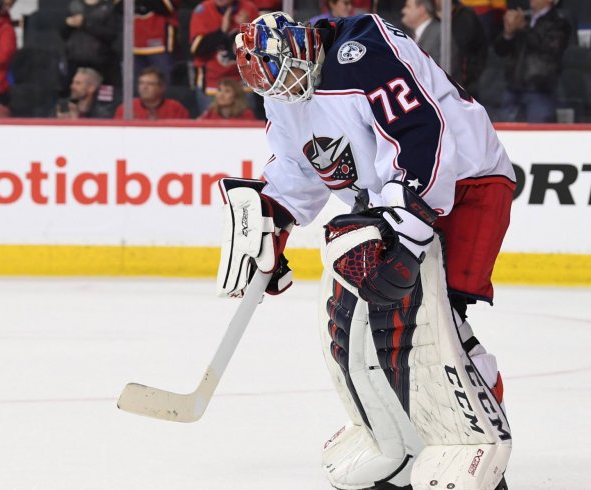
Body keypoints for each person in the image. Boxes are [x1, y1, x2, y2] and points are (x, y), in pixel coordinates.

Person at [218, 12, 513, 490]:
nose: (289, 88)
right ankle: (403, 444)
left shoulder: (362, 52)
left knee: (441, 324)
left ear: (300, 42)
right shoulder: (283, 93)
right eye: (276, 85)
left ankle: (477, 441)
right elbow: (298, 166)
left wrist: (410, 236)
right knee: (375, 331)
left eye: (289, 73)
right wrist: (272, 224)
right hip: (392, 199)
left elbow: (422, 135)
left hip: (466, 182)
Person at [492, 0, 570, 123]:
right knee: (507, 138)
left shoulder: (559, 22)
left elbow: (549, 47)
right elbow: (500, 50)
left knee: (538, 138)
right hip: (513, 90)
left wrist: (524, 27)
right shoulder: (524, 19)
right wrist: (508, 33)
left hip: (539, 92)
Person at [189, 0, 258, 112]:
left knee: (246, 124)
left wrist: (247, 29)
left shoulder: (249, 9)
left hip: (243, 83)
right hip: (212, 84)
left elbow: (260, 52)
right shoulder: (203, 10)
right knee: (210, 127)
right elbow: (197, 50)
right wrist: (222, 31)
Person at [61, 0, 120, 87]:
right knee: (74, 91)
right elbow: (63, 34)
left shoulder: (109, 7)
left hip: (100, 62)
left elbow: (111, 35)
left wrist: (85, 24)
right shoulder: (74, 5)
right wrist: (68, 24)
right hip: (75, 60)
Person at [436, 0, 486, 97]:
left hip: (465, 84)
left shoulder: (467, 16)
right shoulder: (429, 18)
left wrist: (471, 76)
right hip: (437, 85)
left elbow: (480, 47)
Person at [114, 65, 190, 119]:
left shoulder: (176, 108)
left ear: (162, 87)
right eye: (141, 83)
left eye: (150, 84)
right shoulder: (126, 108)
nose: (144, 87)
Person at [400, 0, 456, 72]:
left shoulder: (439, 34)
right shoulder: (412, 34)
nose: (403, 11)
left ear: (421, 9)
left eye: (407, 6)